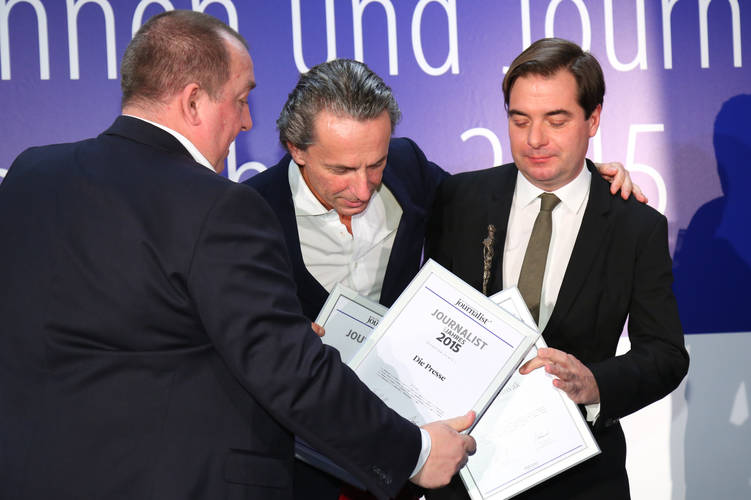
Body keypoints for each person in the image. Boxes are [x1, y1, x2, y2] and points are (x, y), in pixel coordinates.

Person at [0, 11, 477, 500]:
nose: (248, 121)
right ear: (193, 101)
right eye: (242, 99)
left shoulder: (31, 173)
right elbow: (289, 371)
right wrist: (415, 453)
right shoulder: (220, 206)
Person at [245, 58, 644, 499]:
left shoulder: (408, 169)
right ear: (296, 148)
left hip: (403, 462)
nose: (362, 188)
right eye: (341, 170)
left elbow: (488, 201)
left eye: (375, 164)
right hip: (301, 466)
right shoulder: (248, 214)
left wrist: (582, 179)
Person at [424, 38, 689, 499]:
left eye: (556, 120)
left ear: (594, 119)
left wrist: (595, 384)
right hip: (464, 473)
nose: (535, 140)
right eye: (519, 119)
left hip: (582, 480)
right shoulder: (459, 198)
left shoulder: (634, 225)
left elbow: (665, 354)